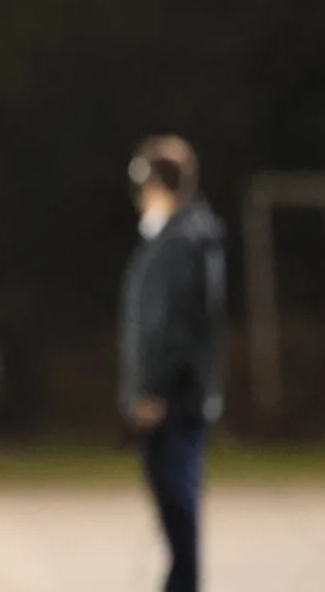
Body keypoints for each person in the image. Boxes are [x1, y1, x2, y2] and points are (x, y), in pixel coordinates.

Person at [119, 135, 227, 592]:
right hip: (171, 396)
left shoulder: (184, 239)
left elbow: (174, 327)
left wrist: (153, 389)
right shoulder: (175, 236)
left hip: (173, 400)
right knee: (171, 502)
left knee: (177, 500)